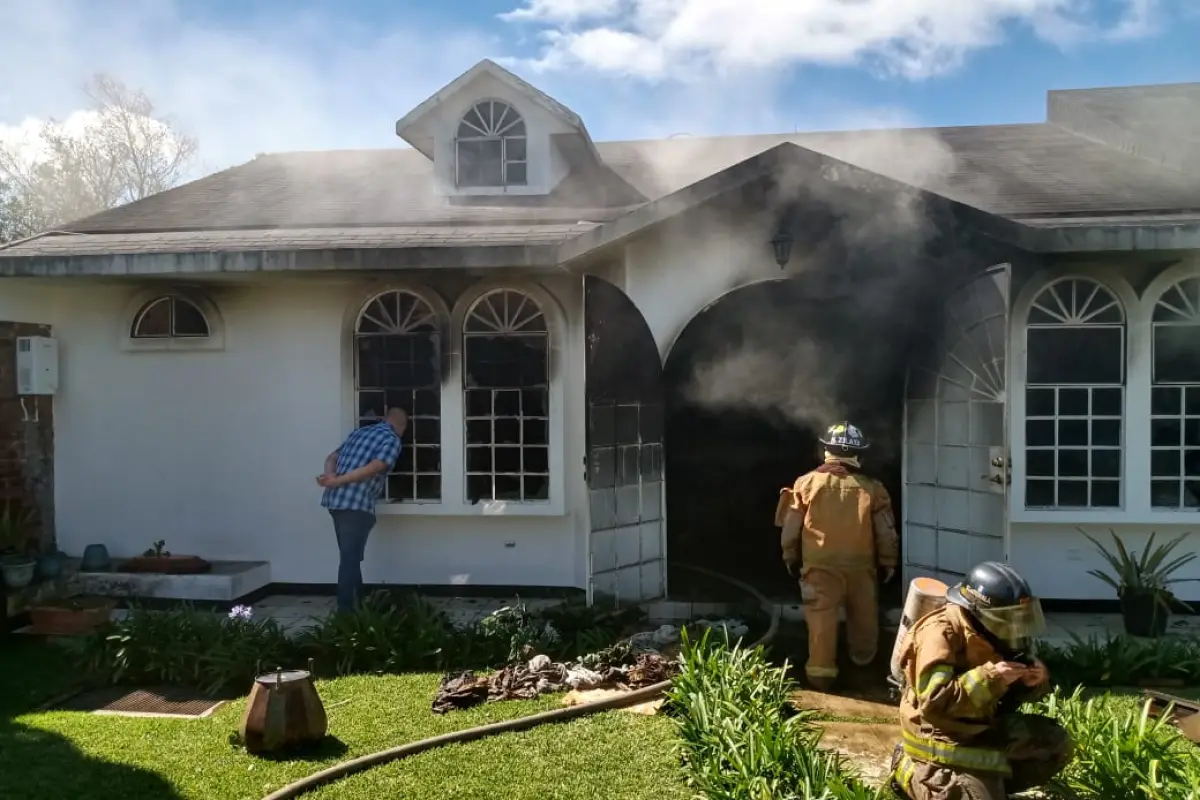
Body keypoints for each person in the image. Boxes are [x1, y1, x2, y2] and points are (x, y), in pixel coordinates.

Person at [889, 561, 1074, 800]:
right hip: (940, 738)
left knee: (1055, 743)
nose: (1015, 626)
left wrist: (1030, 682)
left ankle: (986, 784)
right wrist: (992, 677)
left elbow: (1004, 700)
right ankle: (909, 771)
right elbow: (935, 703)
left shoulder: (995, 631)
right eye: (1008, 617)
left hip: (979, 725)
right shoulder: (940, 633)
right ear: (977, 611)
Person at [775, 421, 898, 691]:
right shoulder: (873, 488)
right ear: (859, 454)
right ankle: (864, 665)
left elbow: (791, 529)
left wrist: (790, 557)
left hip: (819, 567)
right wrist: (888, 562)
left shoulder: (805, 484)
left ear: (825, 450)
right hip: (861, 568)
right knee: (864, 617)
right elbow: (885, 532)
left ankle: (821, 677)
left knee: (821, 621)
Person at [316, 408, 406, 613]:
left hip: (334, 502)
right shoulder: (392, 439)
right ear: (401, 427)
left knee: (350, 557)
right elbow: (376, 466)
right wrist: (337, 481)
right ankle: (346, 611)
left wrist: (330, 477)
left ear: (385, 419)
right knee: (349, 559)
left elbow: (332, 457)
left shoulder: (360, 432)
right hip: (355, 504)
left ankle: (359, 604)